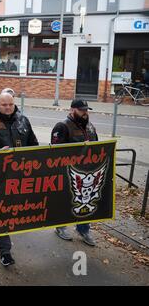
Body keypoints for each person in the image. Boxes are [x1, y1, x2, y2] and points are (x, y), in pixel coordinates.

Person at [0, 91, 39, 267]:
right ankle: (5, 252)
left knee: (10, 210)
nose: (8, 107)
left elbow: (34, 145)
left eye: (10, 104)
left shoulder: (23, 120)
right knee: (1, 211)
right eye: (4, 104)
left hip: (19, 177)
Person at [52, 99, 98, 247]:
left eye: (86, 110)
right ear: (72, 110)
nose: (85, 113)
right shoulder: (62, 126)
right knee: (65, 200)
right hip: (68, 172)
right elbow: (55, 152)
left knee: (86, 201)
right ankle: (60, 226)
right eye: (81, 110)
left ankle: (84, 229)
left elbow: (98, 146)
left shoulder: (90, 127)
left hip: (87, 172)